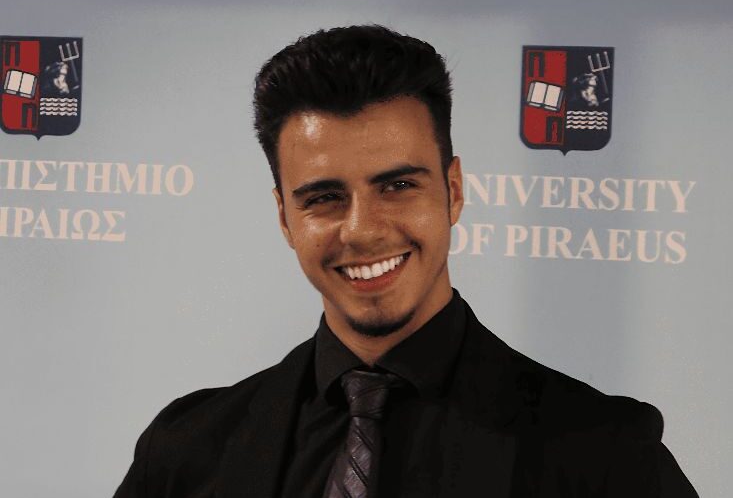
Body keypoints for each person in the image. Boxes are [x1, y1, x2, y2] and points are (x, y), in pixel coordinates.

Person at [113, 25, 698, 497]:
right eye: (324, 197)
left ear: (454, 191)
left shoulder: (605, 455)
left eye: (397, 186)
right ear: (285, 218)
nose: (363, 230)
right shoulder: (186, 451)